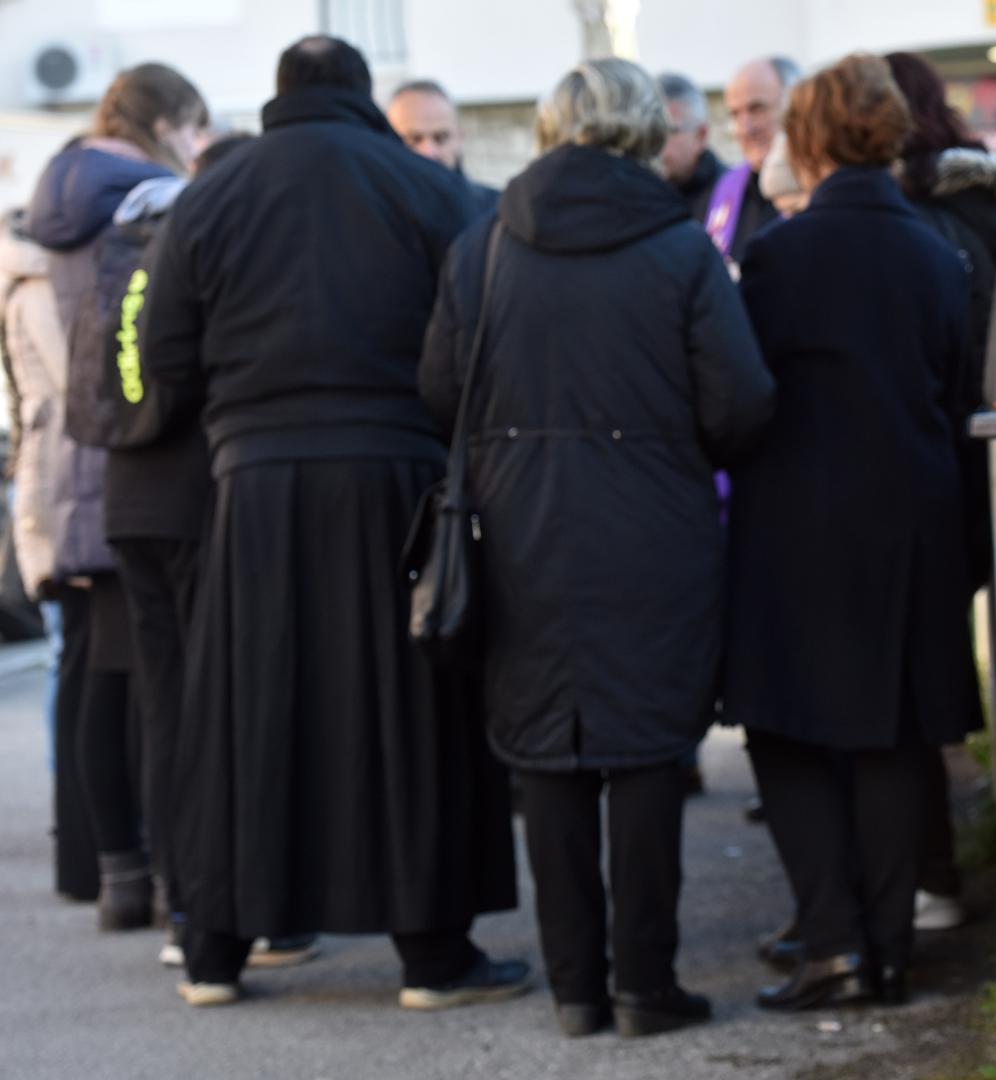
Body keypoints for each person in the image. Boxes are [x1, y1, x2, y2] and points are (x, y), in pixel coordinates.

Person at [136, 35, 523, 1009]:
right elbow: (479, 336)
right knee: (409, 712)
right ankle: (432, 956)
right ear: (361, 99)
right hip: (398, 475)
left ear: (278, 99)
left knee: (244, 714)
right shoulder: (428, 189)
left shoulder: (209, 197)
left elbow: (163, 354)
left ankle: (218, 951)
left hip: (254, 486)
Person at [421, 56, 774, 1039]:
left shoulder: (482, 246)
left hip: (518, 529)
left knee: (546, 753)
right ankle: (644, 986)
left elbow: (440, 392)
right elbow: (740, 402)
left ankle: (576, 987)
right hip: (653, 529)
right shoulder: (678, 249)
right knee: (651, 751)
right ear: (643, 132)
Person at [727, 54, 982, 1011]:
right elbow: (954, 387)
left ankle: (830, 937)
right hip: (913, 514)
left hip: (796, 514)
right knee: (892, 733)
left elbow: (745, 393)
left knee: (783, 726)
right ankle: (886, 951)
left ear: (811, 137)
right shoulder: (934, 253)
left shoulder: (779, 254)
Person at [26, 62, 210, 931]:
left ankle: (117, 877)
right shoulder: (150, 203)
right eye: (194, 126)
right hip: (142, 460)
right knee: (154, 687)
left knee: (97, 677)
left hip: (69, 469)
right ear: (166, 122)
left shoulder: (43, 212)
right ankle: (171, 882)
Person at [92, 132, 259, 970]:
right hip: (195, 501)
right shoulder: (208, 245)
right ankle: (216, 902)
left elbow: (116, 384)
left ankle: (178, 899)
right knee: (218, 709)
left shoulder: (130, 243)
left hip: (130, 501)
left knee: (163, 710)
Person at [885, 50, 996, 934]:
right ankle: (935, 868)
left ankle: (929, 876)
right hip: (990, 443)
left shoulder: (908, 220)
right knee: (934, 665)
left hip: (926, 456)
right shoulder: (991, 209)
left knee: (907, 676)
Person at [0, 209, 98, 903]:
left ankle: (79, 819)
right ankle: (77, 816)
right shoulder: (35, 287)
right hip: (61, 492)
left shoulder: (25, 282)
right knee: (71, 653)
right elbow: (73, 390)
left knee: (72, 654)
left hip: (54, 490)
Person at [711, 56, 799, 267]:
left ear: (795, 108)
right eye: (735, 114)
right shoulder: (725, 187)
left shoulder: (820, 188)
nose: (745, 128)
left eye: (757, 109)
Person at [387, 79, 501, 212]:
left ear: (460, 137)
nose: (429, 152)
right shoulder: (374, 215)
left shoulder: (495, 212)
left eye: (440, 138)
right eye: (414, 140)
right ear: (388, 141)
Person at [657, 72, 722, 223]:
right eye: (652, 130)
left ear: (701, 135)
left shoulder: (737, 195)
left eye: (668, 131)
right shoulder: (642, 194)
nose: (655, 143)